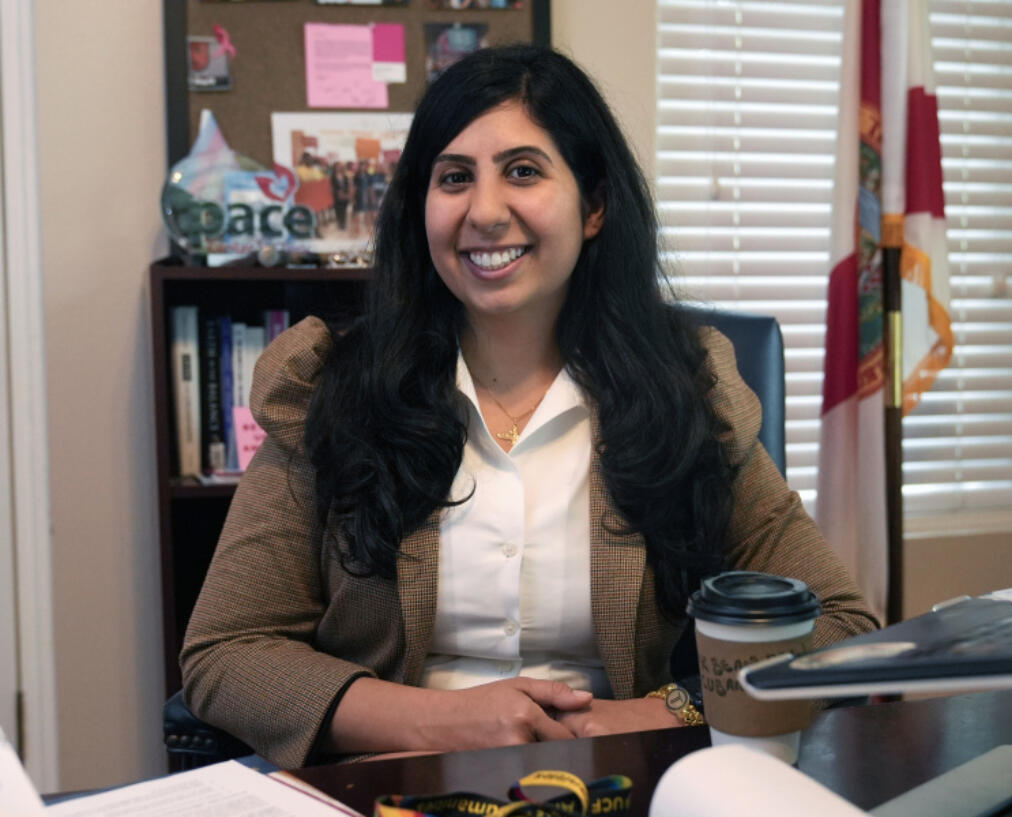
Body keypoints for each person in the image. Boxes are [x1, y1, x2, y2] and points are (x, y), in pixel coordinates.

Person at [180, 44, 878, 769]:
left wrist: (659, 711)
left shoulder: (688, 395)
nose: (484, 211)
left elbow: (842, 624)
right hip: (388, 784)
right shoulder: (330, 387)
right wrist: (434, 721)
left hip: (620, 781)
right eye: (454, 178)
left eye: (522, 171)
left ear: (595, 204)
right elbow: (226, 650)